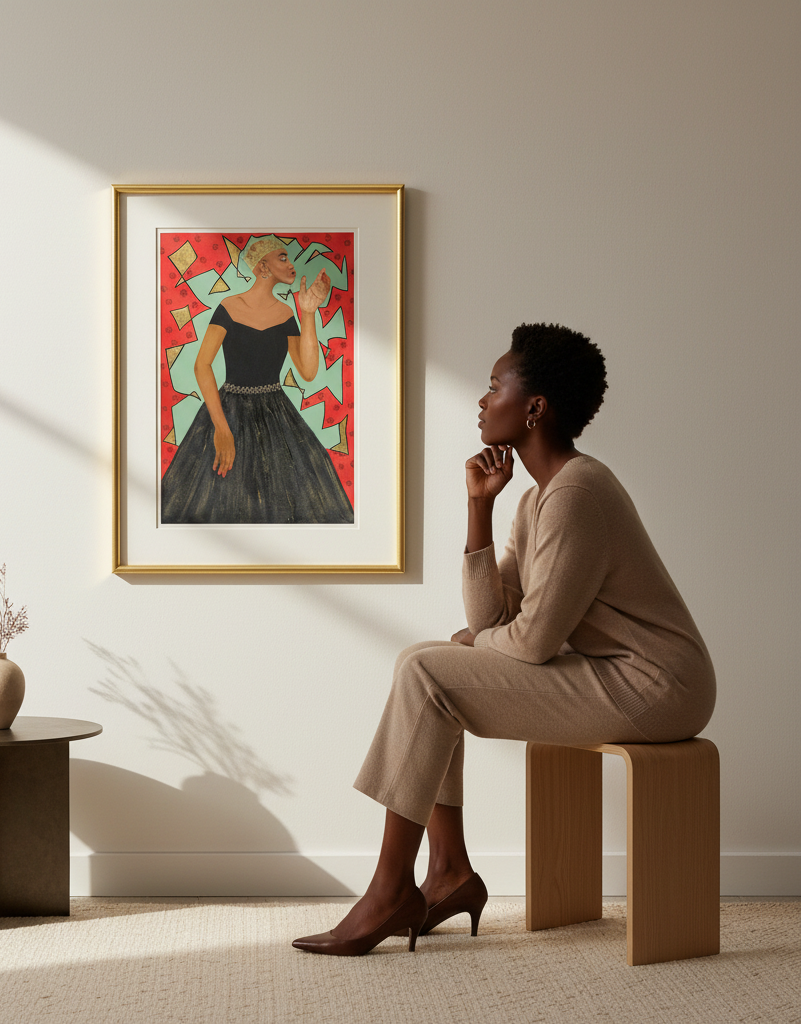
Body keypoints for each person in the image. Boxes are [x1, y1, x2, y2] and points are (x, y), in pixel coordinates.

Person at [292, 323, 716, 956]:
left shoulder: (579, 492)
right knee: (424, 665)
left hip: (654, 685)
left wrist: (473, 645)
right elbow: (496, 623)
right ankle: (447, 872)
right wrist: (480, 508)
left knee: (427, 672)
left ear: (535, 408)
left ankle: (392, 888)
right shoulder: (538, 499)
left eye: (495, 387)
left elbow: (534, 640)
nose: (482, 401)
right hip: (616, 673)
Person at [160, 236, 354, 524]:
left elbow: (308, 371)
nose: (291, 265)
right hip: (227, 412)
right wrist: (222, 428)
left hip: (277, 415)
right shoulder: (228, 307)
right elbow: (202, 365)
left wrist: (309, 312)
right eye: (283, 258)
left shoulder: (286, 313)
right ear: (263, 266)